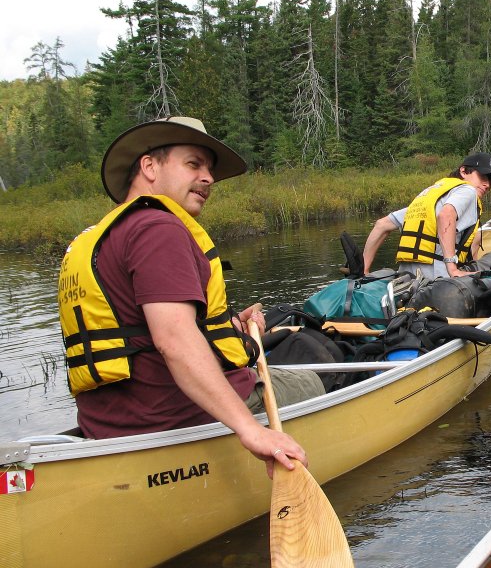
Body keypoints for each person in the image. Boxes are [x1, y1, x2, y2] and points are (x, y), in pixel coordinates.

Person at [58, 117, 320, 476]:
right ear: (149, 166)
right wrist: (251, 432)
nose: (209, 178)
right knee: (315, 381)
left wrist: (231, 328)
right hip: (174, 419)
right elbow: (175, 340)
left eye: (209, 169)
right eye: (193, 164)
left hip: (109, 425)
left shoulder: (100, 236)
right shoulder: (159, 227)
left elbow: (141, 330)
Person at [361, 153, 491, 281]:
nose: (487, 184)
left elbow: (381, 225)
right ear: (464, 171)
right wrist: (452, 268)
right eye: (483, 177)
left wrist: (364, 271)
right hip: (442, 282)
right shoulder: (467, 190)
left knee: (476, 236)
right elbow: (446, 215)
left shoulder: (431, 196)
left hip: (408, 281)